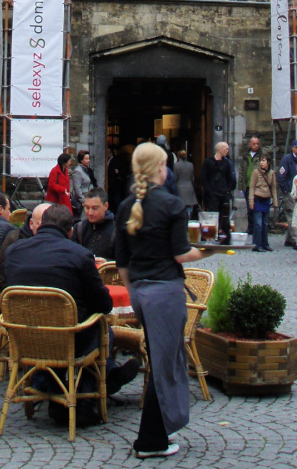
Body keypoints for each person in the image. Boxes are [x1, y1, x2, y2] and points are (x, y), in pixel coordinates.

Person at [115, 142, 213, 460]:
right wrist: (211, 250)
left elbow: (122, 263)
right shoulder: (172, 205)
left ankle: (156, 432)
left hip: (141, 292)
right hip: (166, 292)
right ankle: (151, 440)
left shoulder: (125, 205)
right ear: (161, 167)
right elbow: (181, 253)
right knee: (164, 364)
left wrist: (133, 294)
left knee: (161, 360)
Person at [0, 203, 139, 413]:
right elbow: (103, 304)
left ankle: (46, 385)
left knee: (65, 327)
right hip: (69, 340)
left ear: (40, 225)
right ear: (71, 230)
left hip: (25, 338)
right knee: (102, 328)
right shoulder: (80, 255)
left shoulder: (13, 252)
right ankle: (93, 388)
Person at [74, 188, 115, 260]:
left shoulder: (116, 231)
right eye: (87, 208)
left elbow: (124, 262)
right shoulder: (79, 228)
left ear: (106, 206)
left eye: (94, 208)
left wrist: (107, 263)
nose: (90, 213)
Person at [278, 139, 297, 246]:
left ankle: (289, 239)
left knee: (294, 214)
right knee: (292, 215)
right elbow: (281, 175)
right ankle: (295, 240)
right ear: (292, 148)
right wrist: (285, 190)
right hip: (289, 191)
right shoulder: (287, 159)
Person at [249, 155, 277, 252]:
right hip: (258, 198)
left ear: (268, 162)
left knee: (265, 223)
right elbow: (252, 187)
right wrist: (251, 201)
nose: (261, 163)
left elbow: (273, 187)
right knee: (258, 223)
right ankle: (257, 244)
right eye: (261, 161)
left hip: (266, 199)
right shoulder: (256, 173)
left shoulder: (271, 173)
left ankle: (265, 243)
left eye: (263, 160)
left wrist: (275, 201)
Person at [200, 142, 236, 213]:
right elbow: (204, 178)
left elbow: (230, 178)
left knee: (224, 217)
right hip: (212, 195)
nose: (227, 151)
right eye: (226, 149)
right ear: (220, 150)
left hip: (223, 194)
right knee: (212, 216)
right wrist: (209, 191)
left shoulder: (226, 163)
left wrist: (227, 190)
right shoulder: (208, 162)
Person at [239, 136, 264, 237]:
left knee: (256, 208)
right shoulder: (245, 156)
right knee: (249, 208)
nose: (256, 145)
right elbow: (241, 172)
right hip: (248, 186)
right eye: (254, 144)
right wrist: (241, 186)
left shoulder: (262, 156)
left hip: (258, 186)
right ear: (249, 144)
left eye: (257, 143)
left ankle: (257, 228)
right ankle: (250, 227)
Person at [173, 150, 197, 217]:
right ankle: (188, 216)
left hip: (179, 187)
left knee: (180, 205)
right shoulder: (190, 165)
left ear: (178, 156)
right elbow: (192, 178)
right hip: (189, 186)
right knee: (189, 205)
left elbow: (175, 178)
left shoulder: (176, 165)